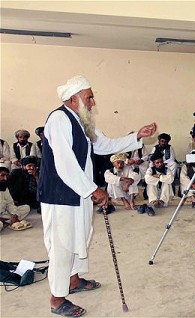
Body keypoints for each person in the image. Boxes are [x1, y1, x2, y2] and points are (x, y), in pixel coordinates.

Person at [38, 75, 157, 317]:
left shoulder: (82, 122)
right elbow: (65, 163)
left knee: (80, 236)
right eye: (89, 97)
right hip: (61, 195)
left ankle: (73, 280)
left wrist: (137, 136)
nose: (93, 102)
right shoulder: (59, 119)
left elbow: (105, 145)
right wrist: (93, 189)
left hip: (78, 193)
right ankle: (56, 299)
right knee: (62, 244)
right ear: (74, 99)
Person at [0, 167, 31, 232]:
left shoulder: (4, 188)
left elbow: (10, 204)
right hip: (1, 217)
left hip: (3, 213)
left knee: (26, 208)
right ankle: (7, 221)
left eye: (7, 175)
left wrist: (14, 215)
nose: (5, 178)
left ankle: (10, 221)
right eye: (2, 175)